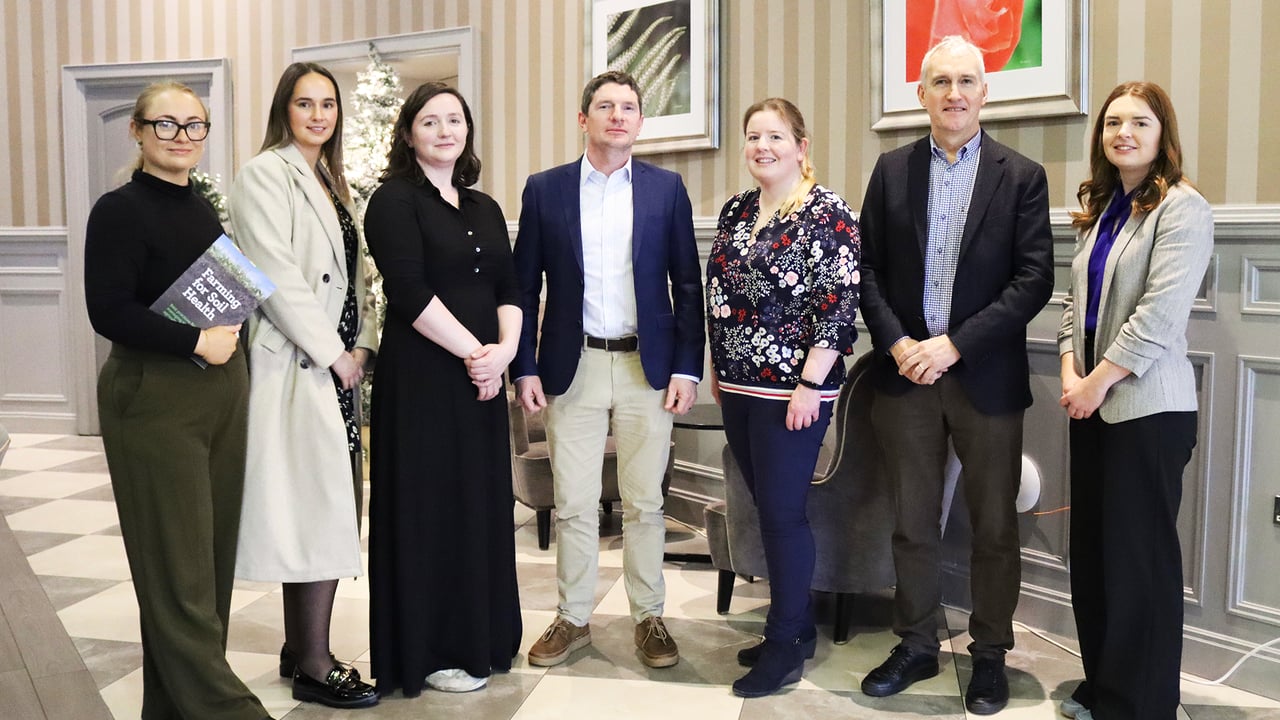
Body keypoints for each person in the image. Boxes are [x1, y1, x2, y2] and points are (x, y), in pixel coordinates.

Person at [857, 36, 1054, 715]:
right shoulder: (889, 172)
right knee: (913, 522)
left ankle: (990, 655)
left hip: (985, 379)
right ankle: (915, 642)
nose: (954, 93)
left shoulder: (1021, 175)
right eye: (940, 81)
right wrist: (900, 342)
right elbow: (869, 272)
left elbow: (1033, 281)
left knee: (994, 525)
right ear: (922, 94)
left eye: (967, 80)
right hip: (905, 377)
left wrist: (953, 346)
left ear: (985, 92)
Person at [85, 80, 270, 720]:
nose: (182, 137)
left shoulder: (201, 205)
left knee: (210, 574)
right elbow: (106, 311)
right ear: (137, 131)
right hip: (154, 401)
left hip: (220, 395)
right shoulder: (118, 209)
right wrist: (195, 340)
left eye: (194, 126)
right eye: (166, 125)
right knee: (179, 583)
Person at [512, 70, 704, 669]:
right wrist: (524, 366)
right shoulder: (545, 191)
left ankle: (649, 617)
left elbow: (687, 285)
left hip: (649, 366)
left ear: (640, 122)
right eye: (604, 106)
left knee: (646, 503)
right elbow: (523, 285)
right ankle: (573, 618)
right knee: (572, 502)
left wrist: (687, 368)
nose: (617, 115)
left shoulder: (666, 190)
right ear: (584, 119)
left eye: (628, 107)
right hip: (573, 365)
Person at [1057, 82, 1212, 720]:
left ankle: (1141, 706)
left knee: (1138, 565)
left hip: (1147, 411)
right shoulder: (1104, 210)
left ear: (1162, 134)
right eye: (1113, 122)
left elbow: (1157, 317)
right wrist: (1070, 371)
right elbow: (1075, 308)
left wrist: (1094, 385)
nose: (1123, 132)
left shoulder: (1182, 208)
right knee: (1096, 557)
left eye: (1139, 122)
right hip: (1091, 405)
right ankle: (1108, 685)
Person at [363, 82, 523, 697]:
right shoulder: (393, 201)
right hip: (426, 381)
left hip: (481, 383)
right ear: (408, 134)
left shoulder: (482, 207)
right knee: (431, 509)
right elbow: (407, 293)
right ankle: (431, 650)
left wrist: (502, 354)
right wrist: (475, 354)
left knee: (479, 504)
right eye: (429, 122)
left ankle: (482, 638)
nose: (444, 130)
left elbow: (509, 286)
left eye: (454, 120)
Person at [228, 62, 379, 710]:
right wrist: (335, 355)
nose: (319, 115)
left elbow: (358, 272)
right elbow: (274, 275)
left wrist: (366, 340)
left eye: (327, 104)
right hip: (299, 364)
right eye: (304, 103)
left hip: (338, 365)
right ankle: (315, 664)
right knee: (314, 509)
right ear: (283, 111)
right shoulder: (265, 173)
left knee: (328, 503)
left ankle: (299, 645)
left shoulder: (333, 181)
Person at [705, 98, 861, 697]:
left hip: (792, 394)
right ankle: (791, 630)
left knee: (782, 515)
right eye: (752, 137)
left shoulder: (828, 214)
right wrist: (718, 367)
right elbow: (719, 292)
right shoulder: (737, 210)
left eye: (774, 136)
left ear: (801, 145)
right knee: (765, 511)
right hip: (739, 388)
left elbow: (837, 307)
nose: (761, 147)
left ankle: (786, 642)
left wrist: (810, 386)